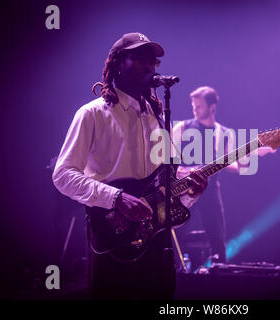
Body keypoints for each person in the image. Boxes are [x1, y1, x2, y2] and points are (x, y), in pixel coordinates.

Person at [52, 32, 207, 299]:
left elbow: (164, 187)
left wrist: (190, 193)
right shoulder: (93, 114)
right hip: (114, 236)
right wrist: (116, 198)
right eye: (139, 58)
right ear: (117, 63)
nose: (149, 66)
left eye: (153, 61)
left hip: (156, 243)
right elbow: (63, 175)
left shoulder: (158, 117)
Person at [172, 86, 241, 266]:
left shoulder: (223, 133)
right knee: (176, 231)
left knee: (217, 236)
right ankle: (174, 271)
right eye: (193, 106)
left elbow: (232, 166)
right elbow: (166, 157)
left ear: (212, 108)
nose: (194, 109)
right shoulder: (182, 127)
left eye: (199, 106)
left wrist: (244, 160)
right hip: (183, 189)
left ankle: (221, 275)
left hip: (210, 190)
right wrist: (181, 171)